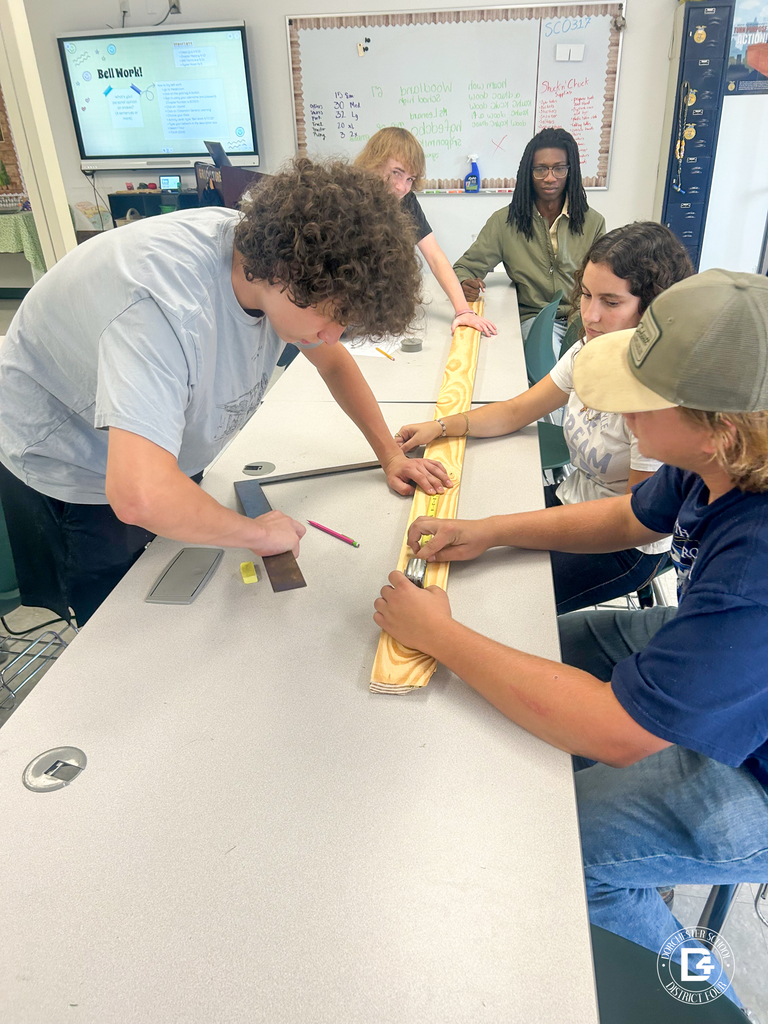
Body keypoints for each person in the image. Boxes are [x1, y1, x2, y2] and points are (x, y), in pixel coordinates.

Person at [373, 269, 768, 990]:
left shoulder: (756, 569)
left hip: (757, 775)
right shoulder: (719, 460)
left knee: (562, 840)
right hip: (720, 655)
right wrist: (490, 531)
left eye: (643, 403)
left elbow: (620, 732)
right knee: (553, 651)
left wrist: (443, 637)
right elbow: (626, 517)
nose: (623, 415)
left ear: (722, 429)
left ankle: (700, 995)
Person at [0, 159, 452, 625]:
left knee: (181, 571)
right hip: (74, 461)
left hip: (152, 462)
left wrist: (390, 455)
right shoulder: (163, 309)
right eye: (332, 318)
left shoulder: (280, 262)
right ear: (284, 273)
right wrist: (256, 533)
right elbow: (140, 495)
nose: (334, 335)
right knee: (124, 625)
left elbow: (333, 361)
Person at [394, 222, 694, 612]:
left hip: (624, 544)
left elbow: (631, 519)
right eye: (586, 295)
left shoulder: (657, 400)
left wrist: (492, 531)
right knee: (468, 553)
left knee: (497, 604)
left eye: (611, 302)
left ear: (652, 307)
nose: (591, 315)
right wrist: (442, 426)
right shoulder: (590, 348)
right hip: (577, 501)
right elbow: (518, 410)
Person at [453, 127, 605, 360]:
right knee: (554, 372)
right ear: (528, 172)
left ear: (570, 171)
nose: (550, 177)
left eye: (559, 168)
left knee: (593, 369)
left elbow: (606, 281)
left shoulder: (593, 222)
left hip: (583, 320)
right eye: (541, 169)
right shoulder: (505, 223)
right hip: (534, 320)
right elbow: (463, 268)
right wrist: (465, 282)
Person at [355, 127, 497, 337]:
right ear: (375, 163)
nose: (402, 187)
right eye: (396, 173)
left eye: (410, 179)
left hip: (376, 314)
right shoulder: (349, 198)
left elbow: (434, 256)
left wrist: (463, 310)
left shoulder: (406, 201)